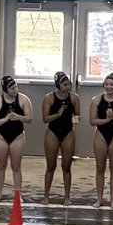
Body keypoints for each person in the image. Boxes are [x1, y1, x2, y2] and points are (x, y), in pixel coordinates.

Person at [0, 75, 32, 202]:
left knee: (16, 166)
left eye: (16, 87)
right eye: (12, 88)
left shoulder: (23, 100)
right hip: (1, 136)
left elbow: (29, 119)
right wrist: (6, 119)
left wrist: (18, 117)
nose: (15, 90)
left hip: (17, 136)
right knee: (1, 166)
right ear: (5, 89)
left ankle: (18, 193)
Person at [42, 71, 80, 205]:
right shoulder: (49, 98)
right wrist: (58, 114)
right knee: (50, 166)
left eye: (68, 84)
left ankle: (67, 197)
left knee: (67, 167)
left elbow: (77, 117)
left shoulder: (74, 98)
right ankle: (46, 196)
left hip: (68, 133)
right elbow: (45, 119)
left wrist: (75, 119)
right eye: (65, 84)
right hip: (52, 133)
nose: (68, 87)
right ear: (58, 85)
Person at [91, 73, 113, 208]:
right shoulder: (96, 100)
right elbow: (92, 121)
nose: (109, 87)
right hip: (100, 134)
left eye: (111, 84)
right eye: (106, 84)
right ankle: (99, 199)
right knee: (100, 168)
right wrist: (106, 120)